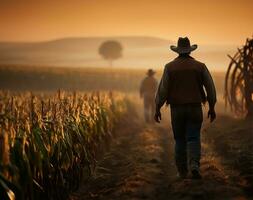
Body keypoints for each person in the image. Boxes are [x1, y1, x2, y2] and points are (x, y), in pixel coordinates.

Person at [154, 37, 216, 179]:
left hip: (177, 109)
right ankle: (194, 164)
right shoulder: (200, 66)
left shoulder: (169, 67)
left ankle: (182, 172)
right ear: (189, 50)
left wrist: (157, 107)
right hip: (195, 107)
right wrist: (212, 107)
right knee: (193, 137)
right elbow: (210, 89)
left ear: (177, 51)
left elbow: (163, 90)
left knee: (180, 139)